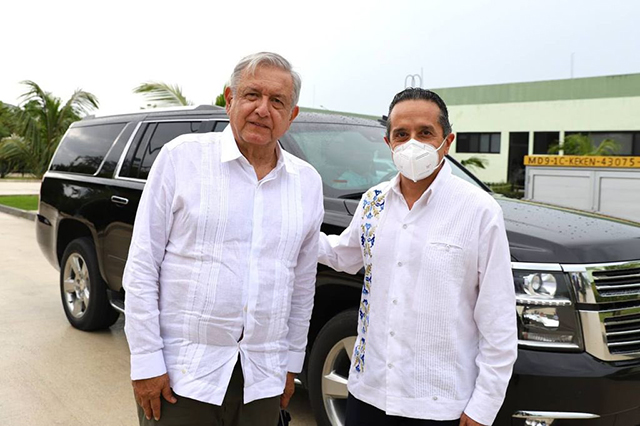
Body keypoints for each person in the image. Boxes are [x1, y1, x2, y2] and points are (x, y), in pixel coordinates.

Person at [123, 52, 324, 426]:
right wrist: (146, 362)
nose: (263, 109)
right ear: (229, 99)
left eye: (277, 101)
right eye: (252, 95)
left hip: (263, 378)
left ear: (291, 116)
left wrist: (290, 366)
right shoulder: (181, 159)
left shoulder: (307, 183)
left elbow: (301, 284)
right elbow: (142, 266)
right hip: (183, 377)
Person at [319, 88, 517, 426]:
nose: (413, 143)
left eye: (425, 132)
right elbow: (343, 255)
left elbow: (497, 319)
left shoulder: (478, 211)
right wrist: (290, 233)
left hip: (438, 405)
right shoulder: (374, 203)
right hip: (368, 394)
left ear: (447, 140)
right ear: (389, 144)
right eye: (402, 134)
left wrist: (483, 407)